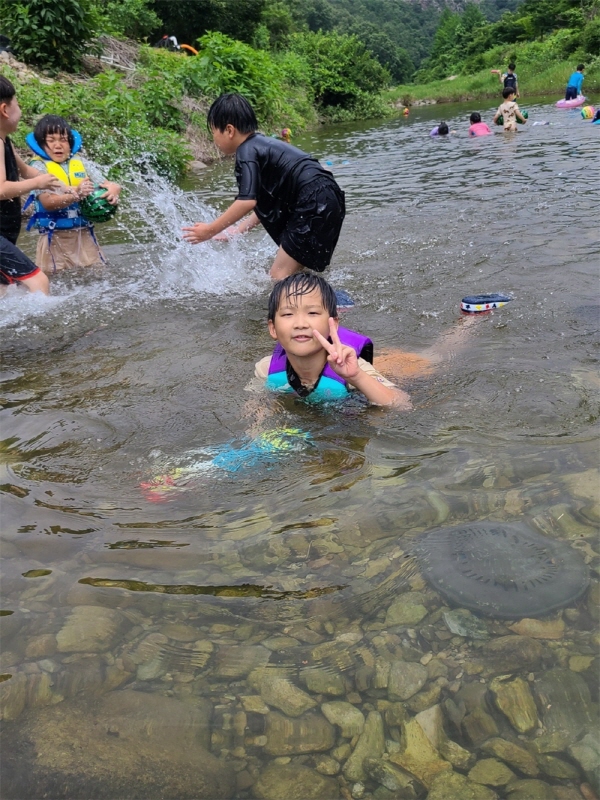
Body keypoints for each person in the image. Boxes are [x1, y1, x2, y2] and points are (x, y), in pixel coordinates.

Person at [182, 93, 346, 281]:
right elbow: (264, 202)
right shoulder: (263, 145)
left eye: (213, 133)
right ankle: (322, 301)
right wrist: (238, 230)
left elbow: (246, 201)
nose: (214, 140)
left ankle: (322, 305)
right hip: (329, 195)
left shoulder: (246, 151)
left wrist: (210, 230)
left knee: (279, 275)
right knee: (298, 270)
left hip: (314, 199)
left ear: (229, 130)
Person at [26, 114, 121, 274]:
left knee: (100, 274)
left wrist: (114, 189)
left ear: (71, 143)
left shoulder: (81, 164)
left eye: (63, 140)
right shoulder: (38, 168)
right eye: (51, 140)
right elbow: (48, 203)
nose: (58, 145)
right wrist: (75, 194)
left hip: (84, 234)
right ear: (41, 144)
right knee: (55, 281)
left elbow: (109, 183)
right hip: (54, 238)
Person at [0, 76, 61, 295]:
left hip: (5, 234)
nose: (21, 112)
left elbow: (26, 170)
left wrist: (60, 185)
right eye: (18, 105)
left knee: (5, 288)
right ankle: (50, 327)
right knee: (38, 282)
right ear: (5, 109)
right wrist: (37, 183)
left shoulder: (5, 140)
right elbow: (1, 189)